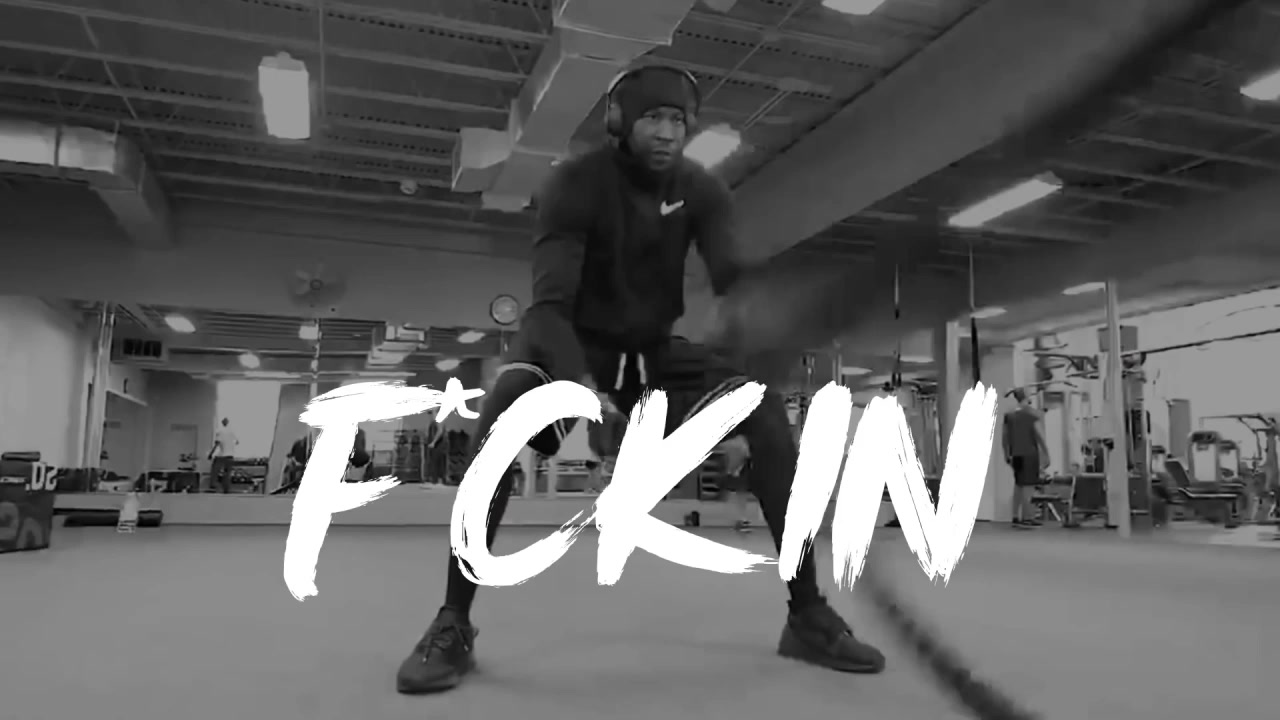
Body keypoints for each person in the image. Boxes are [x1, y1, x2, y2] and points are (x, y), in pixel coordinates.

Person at [395, 64, 886, 695]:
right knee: (496, 426)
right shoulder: (575, 184)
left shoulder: (700, 190)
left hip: (649, 351)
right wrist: (585, 390)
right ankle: (453, 622)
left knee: (764, 414)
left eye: (678, 120)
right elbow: (551, 306)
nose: (667, 132)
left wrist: (780, 311)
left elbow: (732, 278)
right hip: (567, 341)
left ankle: (807, 616)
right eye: (653, 117)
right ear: (618, 121)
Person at [1002, 388, 1050, 527]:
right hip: (1029, 454)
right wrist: (1046, 453)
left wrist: (1007, 454)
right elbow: (1039, 436)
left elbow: (1005, 438)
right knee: (1028, 486)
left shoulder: (1009, 416)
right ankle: (1028, 517)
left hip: (1015, 455)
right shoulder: (1031, 415)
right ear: (1026, 397)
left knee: (1018, 485)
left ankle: (1015, 516)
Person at [208, 418, 238, 494]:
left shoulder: (220, 431)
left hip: (222, 455)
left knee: (215, 469)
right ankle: (226, 489)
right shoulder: (232, 431)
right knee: (227, 473)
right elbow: (237, 442)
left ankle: (213, 485)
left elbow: (217, 444)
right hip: (230, 455)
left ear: (222, 423)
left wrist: (210, 454)